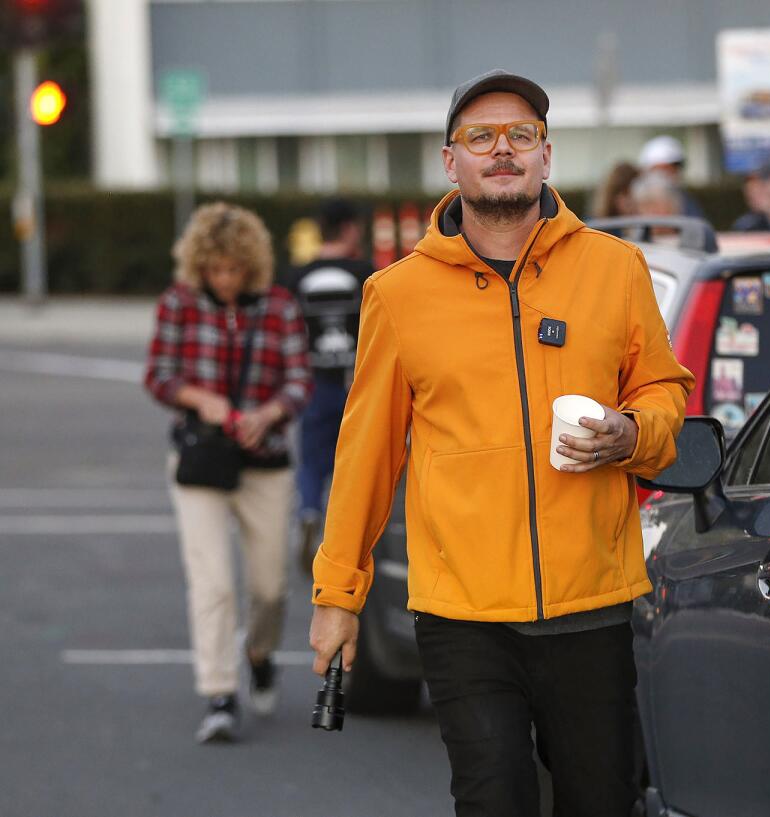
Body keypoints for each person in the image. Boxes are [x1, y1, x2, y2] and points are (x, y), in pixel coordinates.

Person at [308, 69, 694, 817]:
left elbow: (664, 390)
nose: (502, 150)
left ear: (546, 156)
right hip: (463, 615)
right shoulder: (398, 294)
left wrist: (631, 433)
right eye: (480, 137)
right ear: (450, 162)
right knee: (495, 799)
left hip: (593, 601)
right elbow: (366, 454)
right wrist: (338, 594)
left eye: (521, 135)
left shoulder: (615, 268)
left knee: (602, 802)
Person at [144, 202, 313, 743]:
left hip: (265, 462)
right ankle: (219, 693)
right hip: (200, 461)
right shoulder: (179, 304)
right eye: (215, 269)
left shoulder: (280, 306)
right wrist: (202, 400)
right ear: (200, 266)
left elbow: (300, 381)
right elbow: (159, 375)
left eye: (235, 269)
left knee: (270, 585)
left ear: (251, 264)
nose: (226, 280)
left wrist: (268, 415)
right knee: (212, 583)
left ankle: (259, 654)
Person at [287, 199, 374, 575]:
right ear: (350, 229)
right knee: (355, 463)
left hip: (313, 381)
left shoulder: (293, 277)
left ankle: (308, 509)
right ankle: (347, 538)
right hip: (358, 383)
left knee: (311, 460)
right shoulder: (366, 273)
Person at [637, 134, 706, 218]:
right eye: (664, 168)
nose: (670, 173)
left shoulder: (686, 200)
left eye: (675, 167)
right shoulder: (635, 201)